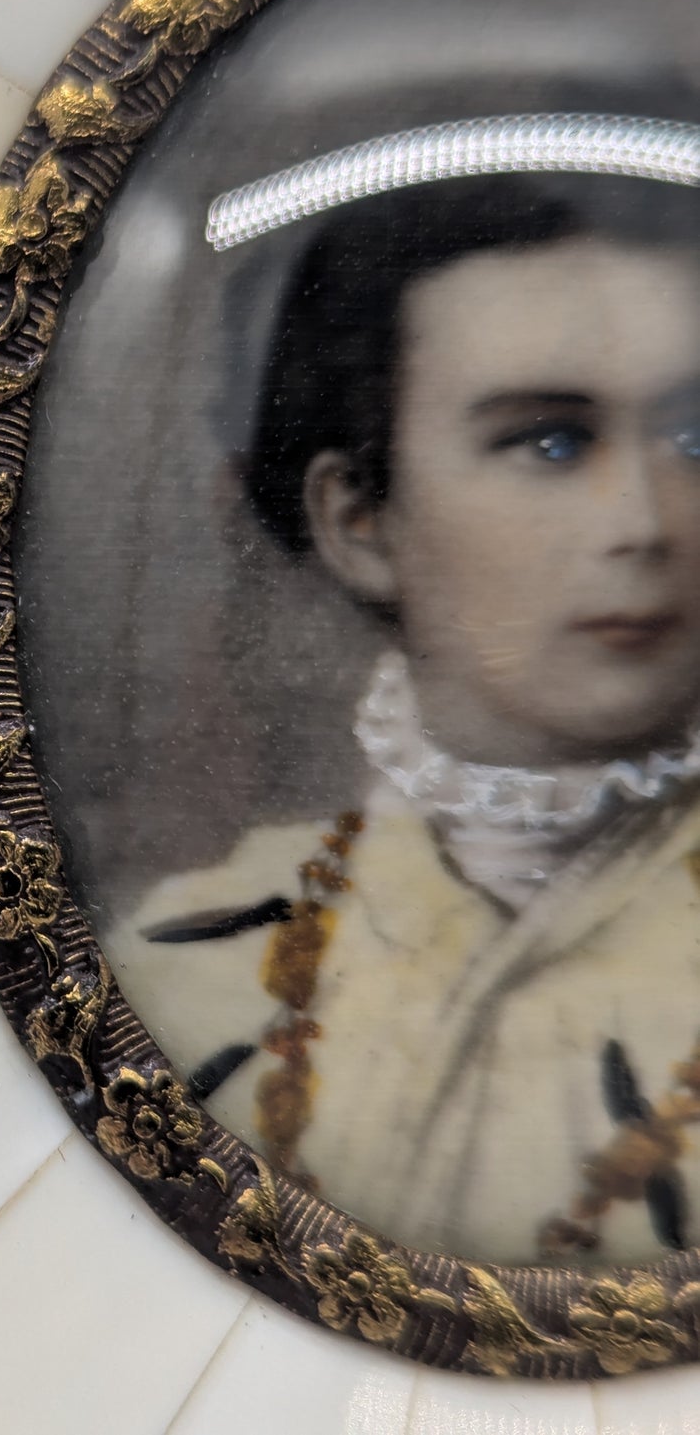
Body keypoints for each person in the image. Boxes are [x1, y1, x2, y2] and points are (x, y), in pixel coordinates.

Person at [110, 161, 700, 1265]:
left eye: (693, 437)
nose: (645, 520)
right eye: (550, 440)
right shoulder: (186, 962)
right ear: (359, 521)